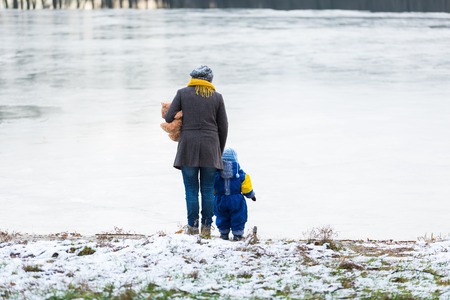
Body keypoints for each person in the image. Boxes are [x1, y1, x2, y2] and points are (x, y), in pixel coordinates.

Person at [165, 65, 228, 238]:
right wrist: (218, 152)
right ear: (209, 80)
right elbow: (224, 127)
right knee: (207, 190)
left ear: (193, 78)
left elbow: (168, 116)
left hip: (188, 148)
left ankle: (192, 228)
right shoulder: (217, 97)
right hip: (210, 148)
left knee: (191, 190)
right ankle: (206, 228)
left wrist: (183, 113)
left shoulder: (183, 93)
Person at [214, 147, 256, 241]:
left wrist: (214, 194)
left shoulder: (216, 174)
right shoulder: (241, 174)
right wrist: (251, 195)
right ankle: (237, 235)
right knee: (238, 216)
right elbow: (246, 189)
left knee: (221, 216)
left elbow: (212, 188)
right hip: (236, 200)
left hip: (220, 199)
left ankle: (223, 234)